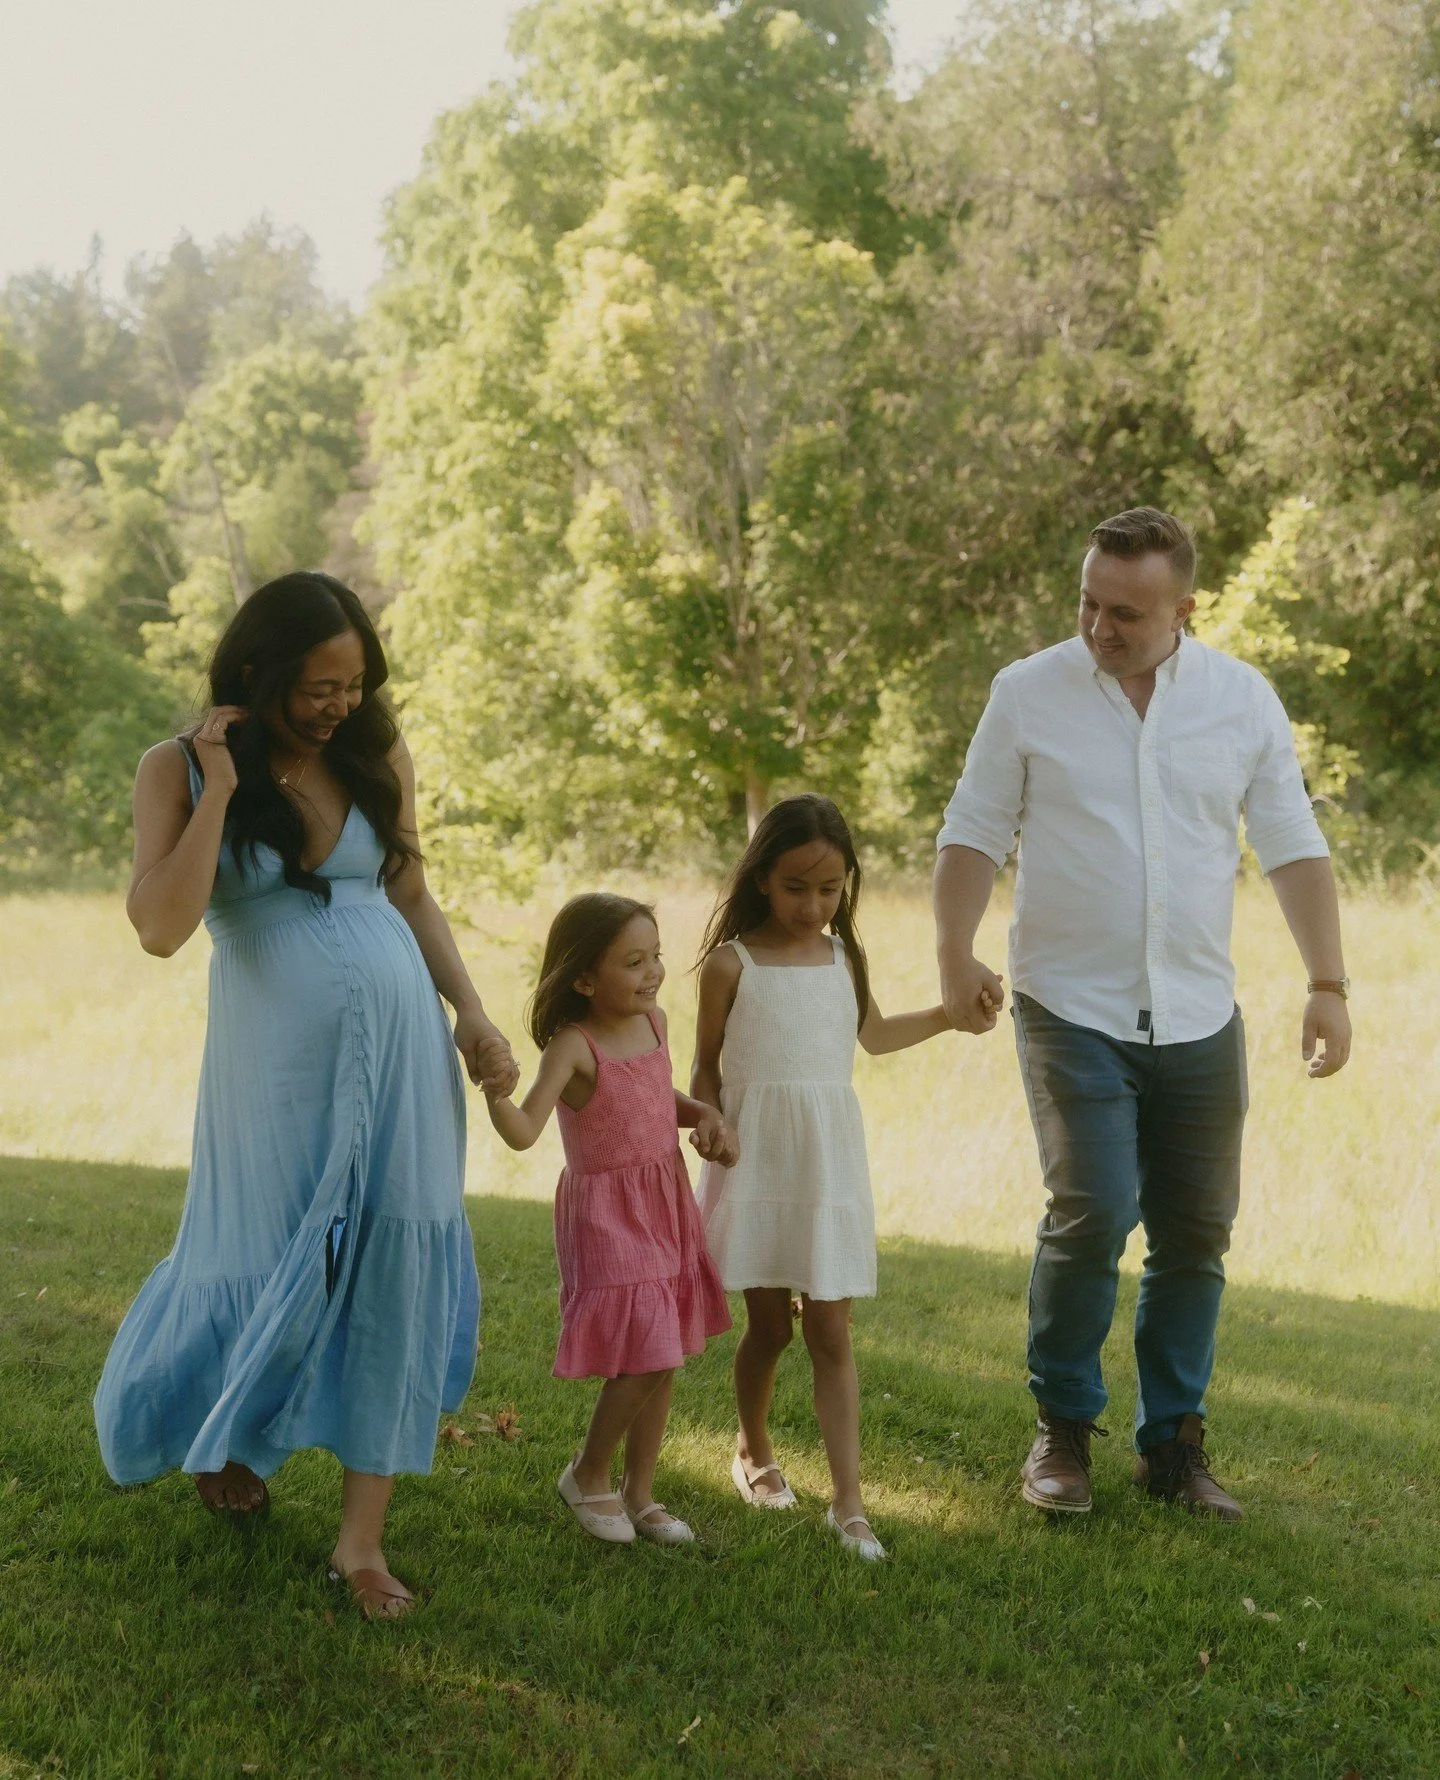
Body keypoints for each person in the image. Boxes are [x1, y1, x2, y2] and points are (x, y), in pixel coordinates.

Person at [93, 571, 519, 1619]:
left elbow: (408, 889)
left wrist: (470, 1009)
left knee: (393, 1253)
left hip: (403, 1052)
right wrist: (220, 787)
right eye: (320, 686)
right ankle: (227, 1433)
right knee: (262, 1247)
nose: (341, 705)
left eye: (354, 684)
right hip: (273, 1068)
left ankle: (360, 1543)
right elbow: (160, 926)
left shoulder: (373, 755)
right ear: (259, 669)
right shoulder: (174, 769)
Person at [934, 508, 1352, 1522]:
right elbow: (973, 831)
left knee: (1197, 1232)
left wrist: (1328, 983)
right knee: (1093, 1208)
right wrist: (954, 952)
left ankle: (1173, 1445)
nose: (1099, 626)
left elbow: (1292, 843)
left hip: (1200, 1011)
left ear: (1184, 609)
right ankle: (1062, 1429)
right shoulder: (1027, 692)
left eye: (1125, 612)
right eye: (1089, 601)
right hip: (1068, 1003)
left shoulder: (1241, 699)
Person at [692, 795, 965, 1562]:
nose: (813, 906)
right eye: (795, 888)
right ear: (761, 879)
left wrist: (948, 1014)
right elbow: (705, 1066)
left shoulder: (846, 957)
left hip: (826, 1163)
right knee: (770, 1329)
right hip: (755, 1160)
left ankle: (849, 1504)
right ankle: (753, 1452)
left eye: (829, 889)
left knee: (831, 1330)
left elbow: (874, 1036)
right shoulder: (730, 963)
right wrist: (709, 1121)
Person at [483, 894, 736, 1546]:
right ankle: (588, 1472)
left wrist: (704, 1114)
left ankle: (639, 1493)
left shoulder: (654, 1023)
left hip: (665, 1203)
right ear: (584, 979)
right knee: (650, 1348)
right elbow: (524, 1130)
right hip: (609, 1216)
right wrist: (496, 1095)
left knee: (665, 1351)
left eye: (656, 956)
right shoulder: (573, 1046)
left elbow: (656, 1097)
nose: (653, 973)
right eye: (633, 962)